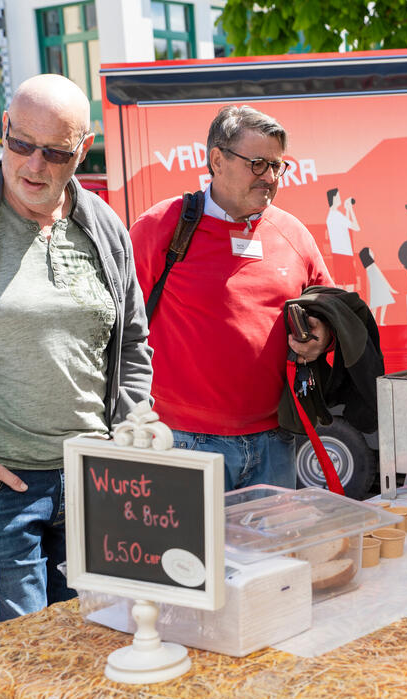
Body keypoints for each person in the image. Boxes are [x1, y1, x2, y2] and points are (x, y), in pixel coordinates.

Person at [0, 75, 153, 621]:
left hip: (99, 483)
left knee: (101, 640)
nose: (34, 166)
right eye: (21, 145)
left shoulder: (105, 226)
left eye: (56, 152)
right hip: (1, 490)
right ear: (3, 132)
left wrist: (128, 436)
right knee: (24, 658)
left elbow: (133, 342)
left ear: (83, 151)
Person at [131, 105, 333, 491]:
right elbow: (114, 325)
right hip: (182, 442)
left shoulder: (293, 233)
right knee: (190, 554)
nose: (270, 177)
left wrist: (323, 337)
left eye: (277, 166)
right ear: (217, 160)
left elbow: (329, 308)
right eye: (258, 164)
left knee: (272, 554)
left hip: (276, 441)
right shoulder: (162, 226)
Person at [325, 188, 360, 293]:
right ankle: (348, 307)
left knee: (340, 283)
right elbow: (356, 226)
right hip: (344, 254)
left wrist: (347, 210)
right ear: (334, 198)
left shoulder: (332, 215)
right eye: (339, 196)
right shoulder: (336, 215)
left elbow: (346, 227)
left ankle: (342, 307)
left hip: (339, 254)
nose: (340, 198)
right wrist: (350, 209)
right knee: (349, 284)